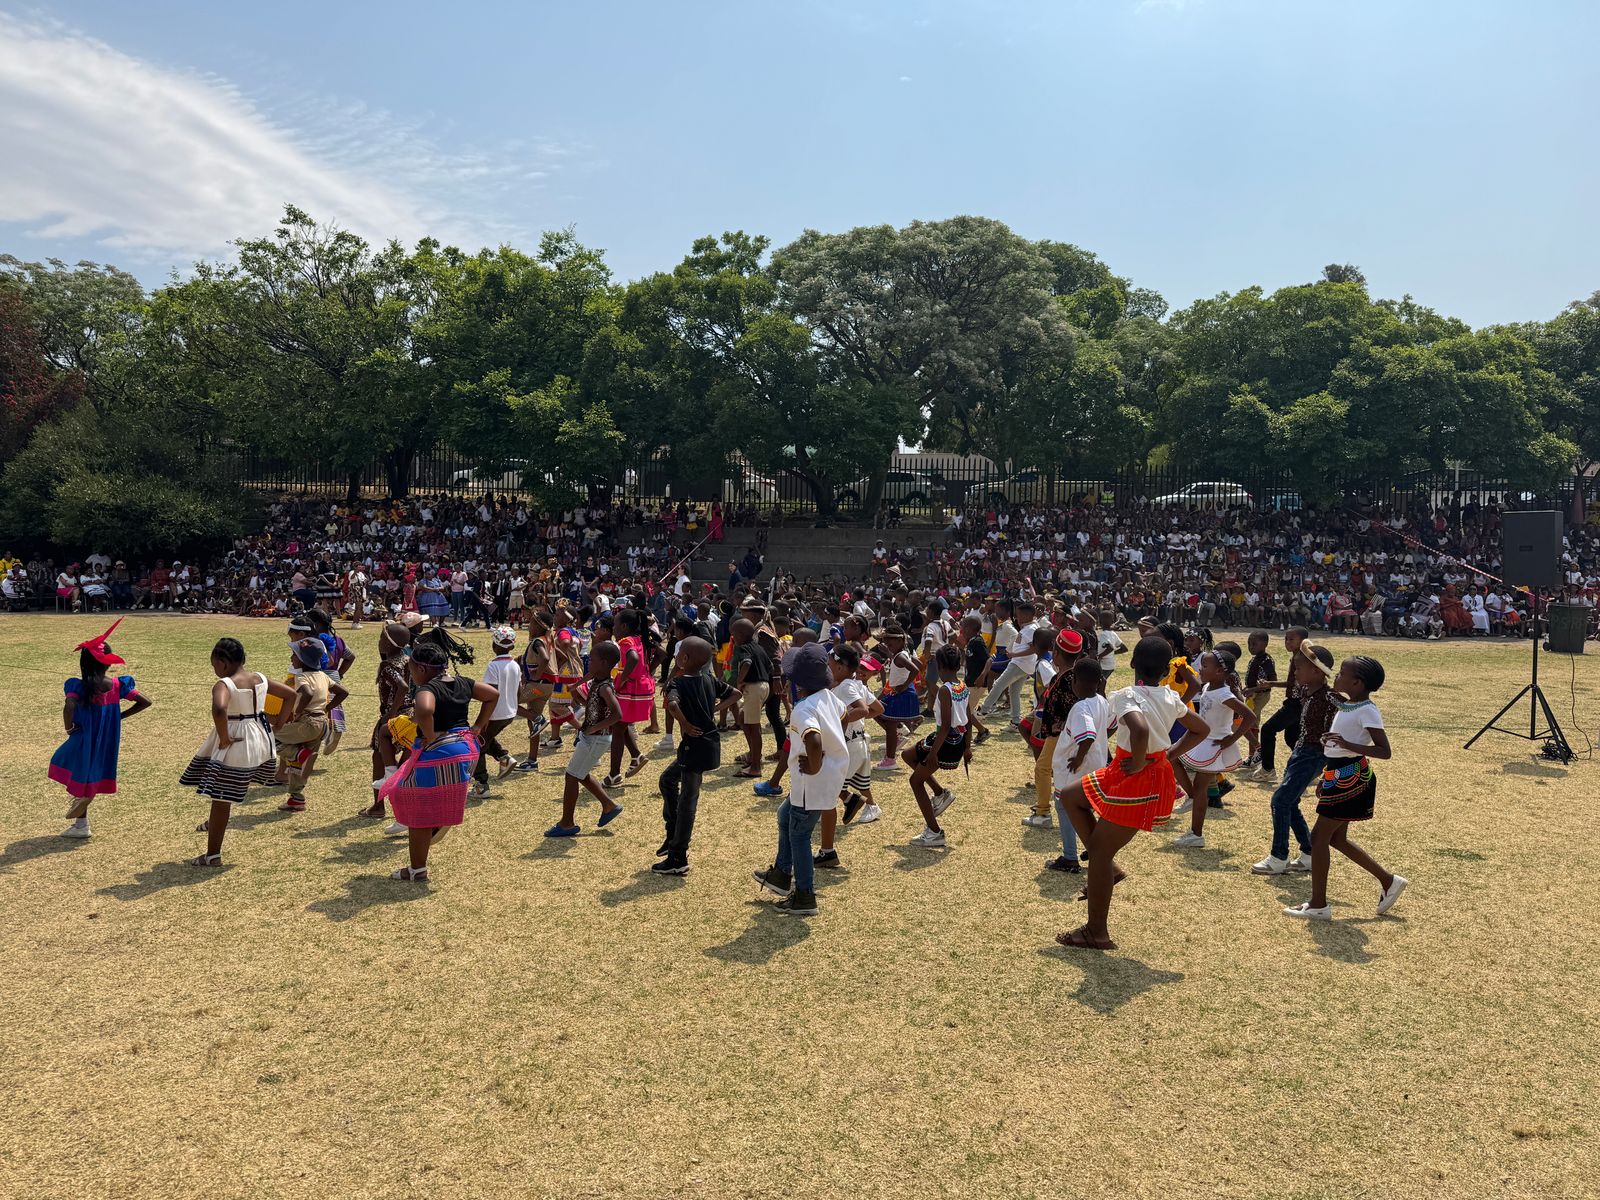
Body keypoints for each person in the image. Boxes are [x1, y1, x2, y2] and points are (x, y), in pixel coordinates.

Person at [1052, 635, 1209, 951]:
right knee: (1070, 796)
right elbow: (1201, 729)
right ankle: (1108, 869)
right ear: (1165, 670)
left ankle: (1096, 931)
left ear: (1133, 663)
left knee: (1099, 852)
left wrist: (1140, 761)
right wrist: (1168, 755)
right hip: (1127, 770)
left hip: (1136, 775)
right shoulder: (1169, 696)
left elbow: (1139, 730)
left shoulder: (1126, 694)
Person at [1285, 656, 1408, 920]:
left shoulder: (1367, 711)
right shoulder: (1350, 705)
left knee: (1318, 838)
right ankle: (1388, 881)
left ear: (1357, 682)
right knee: (1335, 839)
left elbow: (1384, 751)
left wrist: (1345, 744)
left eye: (1342, 673)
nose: (1337, 676)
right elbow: (1340, 745)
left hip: (1350, 778)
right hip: (1338, 775)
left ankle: (1318, 904)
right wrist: (1327, 768)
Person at [378, 641, 499, 881]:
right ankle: (437, 821)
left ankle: (417, 868)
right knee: (422, 799)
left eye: (412, 669)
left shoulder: (427, 688)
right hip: (465, 748)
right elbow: (492, 695)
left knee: (415, 808)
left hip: (440, 752)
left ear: (421, 669)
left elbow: (424, 709)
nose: (411, 674)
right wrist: (478, 726)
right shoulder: (463, 682)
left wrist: (430, 735)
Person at [751, 643, 848, 916]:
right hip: (827, 777)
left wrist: (815, 765)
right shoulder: (829, 697)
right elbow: (844, 716)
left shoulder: (803, 709)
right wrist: (832, 745)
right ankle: (782, 874)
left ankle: (805, 895)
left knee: (800, 834)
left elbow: (813, 740)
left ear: (796, 682)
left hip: (811, 782)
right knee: (785, 815)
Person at [181, 638, 296, 865]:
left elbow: (219, 708)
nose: (214, 669)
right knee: (227, 791)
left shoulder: (224, 684)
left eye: (214, 664)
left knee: (220, 797)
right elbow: (290, 695)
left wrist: (224, 737)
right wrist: (279, 723)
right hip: (260, 738)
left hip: (238, 741)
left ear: (222, 662)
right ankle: (214, 826)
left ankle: (212, 855)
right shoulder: (260, 678)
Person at [49, 620, 152, 838]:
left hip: (83, 736)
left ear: (84, 664)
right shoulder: (117, 685)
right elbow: (145, 702)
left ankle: (82, 819)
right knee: (90, 772)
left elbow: (69, 706)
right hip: (107, 739)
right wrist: (119, 717)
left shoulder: (78, 686)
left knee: (69, 765)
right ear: (107, 663)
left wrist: (69, 728)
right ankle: (82, 818)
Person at [654, 637, 740, 875]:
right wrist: (715, 709)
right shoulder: (709, 679)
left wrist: (685, 724)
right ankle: (672, 834)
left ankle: (678, 856)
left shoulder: (678, 683)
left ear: (684, 658)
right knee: (667, 780)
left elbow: (672, 706)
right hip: (708, 744)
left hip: (694, 746)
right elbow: (735, 693)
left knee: (687, 802)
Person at [1251, 642, 1337, 875]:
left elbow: (1345, 718)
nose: (1295, 673)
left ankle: (1279, 857)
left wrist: (1329, 766)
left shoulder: (1330, 697)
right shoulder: (1305, 691)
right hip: (1300, 751)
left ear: (1316, 671)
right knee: (1290, 801)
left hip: (1314, 755)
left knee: (1280, 800)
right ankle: (1309, 853)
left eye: (1298, 668)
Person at [1170, 650, 1257, 848]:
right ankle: (1191, 799)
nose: (1201, 669)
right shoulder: (1209, 686)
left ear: (1219, 671)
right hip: (1200, 738)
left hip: (1213, 744)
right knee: (1172, 757)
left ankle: (1196, 834)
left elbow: (1250, 716)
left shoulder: (1224, 694)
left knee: (1200, 788)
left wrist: (1232, 738)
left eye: (1205, 666)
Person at [545, 640, 625, 836]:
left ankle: (567, 823)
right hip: (593, 738)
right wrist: (577, 688)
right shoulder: (597, 681)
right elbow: (587, 702)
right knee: (580, 773)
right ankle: (608, 805)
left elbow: (617, 714)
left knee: (572, 776)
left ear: (604, 663)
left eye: (593, 660)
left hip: (596, 739)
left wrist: (593, 729)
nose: (589, 662)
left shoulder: (605, 687)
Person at [815, 643, 881, 867]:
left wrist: (839, 721)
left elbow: (863, 709)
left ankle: (827, 849)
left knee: (827, 790)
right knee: (831, 786)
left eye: (829, 663)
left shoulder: (845, 687)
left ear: (841, 667)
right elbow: (878, 709)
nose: (827, 667)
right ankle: (852, 800)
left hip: (849, 744)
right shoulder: (853, 684)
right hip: (857, 741)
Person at [903, 643, 972, 850]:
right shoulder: (963, 686)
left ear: (940, 666)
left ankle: (934, 832)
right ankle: (940, 793)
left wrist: (933, 753)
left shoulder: (944, 690)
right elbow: (968, 719)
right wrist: (967, 747)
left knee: (915, 781)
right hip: (954, 739)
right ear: (958, 665)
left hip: (945, 742)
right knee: (908, 756)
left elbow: (946, 726)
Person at [1047, 660, 1112, 873]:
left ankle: (1070, 857)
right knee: (1084, 807)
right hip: (1096, 764)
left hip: (1074, 769)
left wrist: (1078, 758)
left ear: (1075, 681)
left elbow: (1088, 736)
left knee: (1064, 807)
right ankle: (1092, 846)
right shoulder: (1101, 701)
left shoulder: (1080, 707)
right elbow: (1110, 725)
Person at [273, 638, 348, 812]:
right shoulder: (323, 676)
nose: (291, 658)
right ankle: (296, 798)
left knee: (268, 736)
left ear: (302, 659)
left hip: (307, 723)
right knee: (298, 763)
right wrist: (326, 708)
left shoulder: (301, 677)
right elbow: (343, 692)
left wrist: (298, 712)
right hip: (322, 725)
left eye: (294, 655)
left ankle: (298, 754)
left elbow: (306, 693)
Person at [1252, 626, 1309, 784]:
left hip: (1297, 703)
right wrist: (1270, 683)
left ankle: (1268, 769)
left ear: (1303, 641)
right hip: (1296, 702)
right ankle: (1304, 769)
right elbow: (1292, 682)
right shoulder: (1296, 657)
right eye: (1286, 639)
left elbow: (1299, 683)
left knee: (1268, 729)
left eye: (1291, 639)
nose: (1287, 642)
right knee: (1292, 738)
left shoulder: (1302, 659)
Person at [604, 607, 653, 788]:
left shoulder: (625, 641)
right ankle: (636, 755)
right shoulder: (639, 639)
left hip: (630, 691)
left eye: (615, 625)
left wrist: (623, 679)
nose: (613, 629)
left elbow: (633, 658)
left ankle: (614, 775)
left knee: (617, 728)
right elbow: (661, 654)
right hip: (641, 688)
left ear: (624, 626)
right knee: (619, 725)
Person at [475, 626, 524, 792]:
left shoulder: (493, 666)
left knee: (478, 744)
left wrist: (483, 719)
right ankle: (504, 757)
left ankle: (482, 785)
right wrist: (514, 706)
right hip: (509, 712)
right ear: (512, 646)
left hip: (495, 713)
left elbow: (491, 694)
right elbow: (518, 691)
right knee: (486, 738)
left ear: (494, 645)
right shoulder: (515, 665)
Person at [729, 617, 773, 779]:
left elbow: (746, 663)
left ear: (740, 635)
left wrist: (740, 681)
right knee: (743, 718)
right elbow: (770, 666)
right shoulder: (758, 647)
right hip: (763, 686)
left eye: (734, 635)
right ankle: (753, 755)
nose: (733, 638)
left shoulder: (743, 648)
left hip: (753, 687)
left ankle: (755, 767)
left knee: (754, 728)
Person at [873, 624, 922, 770]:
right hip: (900, 693)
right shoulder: (902, 654)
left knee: (886, 722)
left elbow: (915, 669)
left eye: (890, 644)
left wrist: (905, 684)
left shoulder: (900, 656)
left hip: (902, 694)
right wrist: (889, 653)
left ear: (900, 641)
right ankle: (897, 737)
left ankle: (890, 760)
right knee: (877, 712)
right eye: (886, 644)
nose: (888, 647)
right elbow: (916, 663)